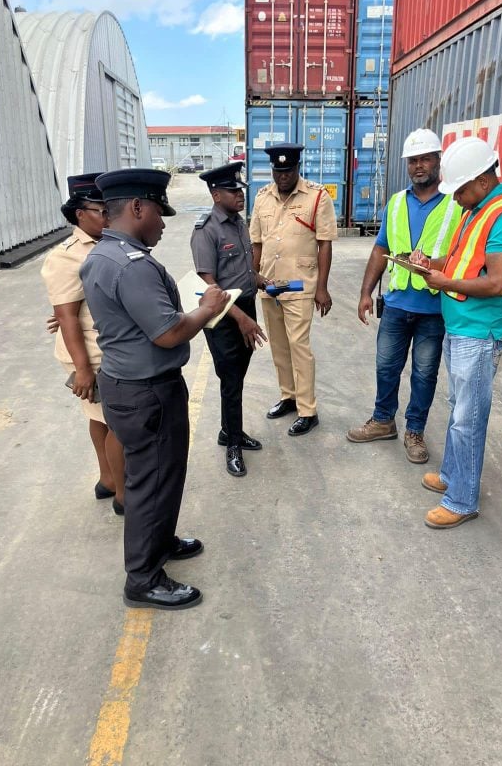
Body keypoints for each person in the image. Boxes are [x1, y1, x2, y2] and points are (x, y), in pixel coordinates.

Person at [80, 168, 229, 610]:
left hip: (130, 386)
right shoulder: (131, 265)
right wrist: (207, 308)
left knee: (161, 478)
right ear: (137, 208)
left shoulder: (103, 255)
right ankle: (142, 579)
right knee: (153, 481)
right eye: (159, 213)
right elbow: (167, 333)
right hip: (148, 392)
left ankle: (160, 543)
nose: (164, 223)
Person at [410, 136, 502, 529]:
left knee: (468, 416)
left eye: (459, 189)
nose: (456, 197)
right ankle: (451, 475)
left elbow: (496, 282)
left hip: (481, 331)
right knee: (459, 406)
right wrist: (430, 263)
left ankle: (461, 499)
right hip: (462, 327)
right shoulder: (476, 210)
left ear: (482, 180)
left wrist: (442, 283)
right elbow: (462, 261)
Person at [347, 129, 462, 464]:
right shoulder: (396, 203)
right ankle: (383, 421)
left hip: (434, 307)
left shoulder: (456, 204)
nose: (418, 166)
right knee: (386, 367)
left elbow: (463, 256)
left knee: (424, 374)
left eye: (425, 158)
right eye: (413, 160)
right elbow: (380, 247)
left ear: (438, 162)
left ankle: (415, 431)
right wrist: (365, 291)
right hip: (397, 303)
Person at [41, 173, 125, 513]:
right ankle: (123, 494)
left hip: (101, 347)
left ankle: (107, 479)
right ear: (79, 213)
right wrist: (82, 370)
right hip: (91, 354)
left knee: (100, 416)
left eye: (109, 208)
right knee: (120, 422)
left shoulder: (108, 243)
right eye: (100, 209)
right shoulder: (67, 256)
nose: (108, 216)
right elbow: (68, 317)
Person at [249, 143, 337, 436]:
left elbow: (325, 243)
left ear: (298, 168)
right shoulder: (261, 198)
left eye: (287, 171)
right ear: (272, 170)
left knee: (299, 346)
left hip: (300, 284)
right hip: (270, 284)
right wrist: (253, 277)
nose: (282, 176)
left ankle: (307, 409)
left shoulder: (317, 196)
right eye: (278, 171)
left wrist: (322, 288)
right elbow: (256, 244)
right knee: (278, 346)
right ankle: (288, 396)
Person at [190, 163, 268, 477]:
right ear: (215, 193)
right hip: (224, 316)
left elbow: (243, 267)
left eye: (241, 190)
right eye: (234, 191)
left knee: (237, 376)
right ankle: (232, 443)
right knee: (231, 380)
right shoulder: (206, 229)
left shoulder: (238, 223)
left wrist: (258, 278)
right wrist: (241, 319)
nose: (240, 195)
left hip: (246, 307)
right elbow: (208, 283)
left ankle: (229, 430)